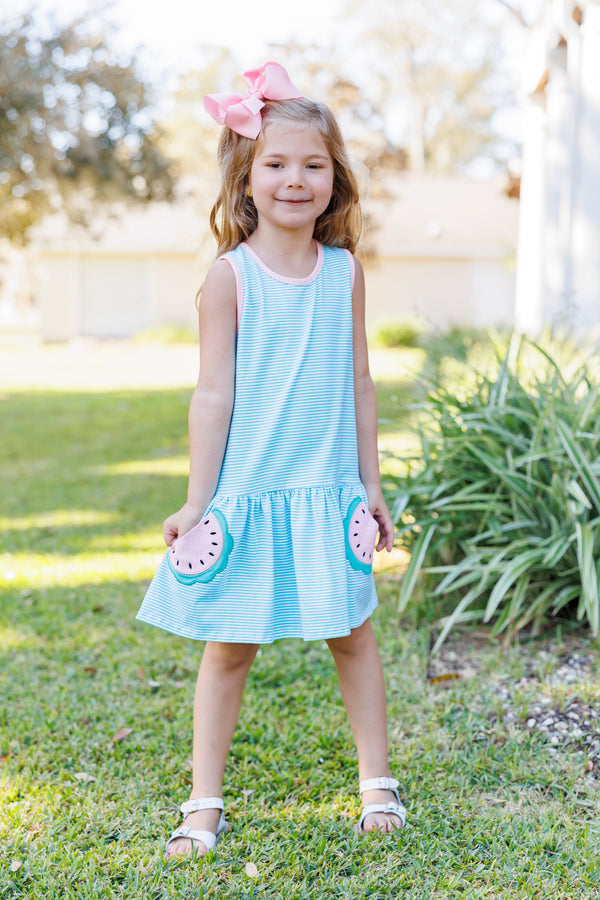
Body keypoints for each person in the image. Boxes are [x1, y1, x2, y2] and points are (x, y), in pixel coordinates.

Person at [136, 61, 407, 858]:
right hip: (250, 493)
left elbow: (358, 380)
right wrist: (197, 501)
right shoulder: (228, 279)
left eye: (313, 164)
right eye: (277, 164)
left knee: (354, 636)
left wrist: (371, 483)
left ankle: (377, 784)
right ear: (247, 180)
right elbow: (211, 397)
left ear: (335, 177)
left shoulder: (345, 275)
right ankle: (203, 804)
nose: (296, 179)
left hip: (327, 492)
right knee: (230, 648)